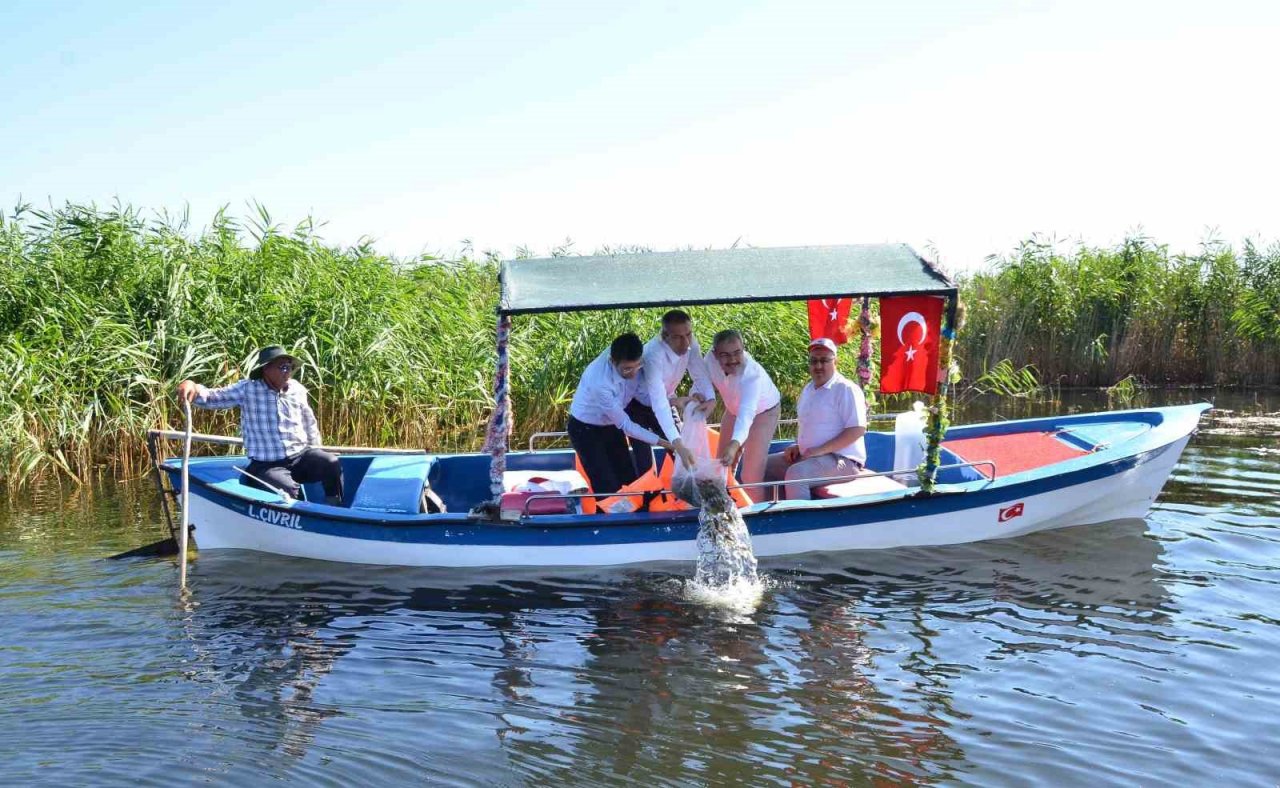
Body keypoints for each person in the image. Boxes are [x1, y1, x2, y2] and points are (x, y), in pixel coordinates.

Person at [176, 346, 345, 505]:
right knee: (288, 489)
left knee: (330, 463)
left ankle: (334, 509)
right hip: (267, 464)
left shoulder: (297, 389)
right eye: (283, 368)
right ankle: (301, 522)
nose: (288, 373)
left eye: (290, 368)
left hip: (300, 456)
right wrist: (192, 385)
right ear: (266, 369)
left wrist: (316, 448)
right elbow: (211, 397)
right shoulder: (248, 389)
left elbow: (309, 422)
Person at [567, 333, 680, 495]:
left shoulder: (638, 363)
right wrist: (664, 443)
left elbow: (646, 396)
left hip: (611, 425)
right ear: (613, 361)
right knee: (607, 487)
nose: (633, 373)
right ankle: (608, 518)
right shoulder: (599, 382)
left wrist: (676, 401)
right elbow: (626, 426)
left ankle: (636, 517)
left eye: (637, 367)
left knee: (629, 481)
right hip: (585, 429)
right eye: (627, 369)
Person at [765, 337, 868, 501]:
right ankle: (770, 518)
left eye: (824, 360)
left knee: (797, 474)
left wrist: (820, 450)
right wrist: (798, 446)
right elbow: (813, 427)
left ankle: (800, 523)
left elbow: (857, 429)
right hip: (810, 456)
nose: (818, 366)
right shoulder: (808, 389)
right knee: (761, 466)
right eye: (813, 361)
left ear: (836, 361)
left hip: (843, 460)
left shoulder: (846, 389)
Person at [627, 309, 712, 475]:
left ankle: (693, 493)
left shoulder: (691, 343)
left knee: (684, 450)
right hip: (637, 405)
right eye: (678, 337)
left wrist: (710, 398)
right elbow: (658, 403)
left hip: (668, 399)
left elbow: (700, 373)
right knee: (645, 460)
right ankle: (648, 496)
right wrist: (677, 444)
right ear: (664, 336)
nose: (686, 342)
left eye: (688, 334)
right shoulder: (653, 354)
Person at [704, 329, 782, 502]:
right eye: (725, 355)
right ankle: (723, 510)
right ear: (715, 354)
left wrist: (734, 444)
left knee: (750, 476)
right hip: (733, 410)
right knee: (720, 467)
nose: (732, 360)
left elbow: (746, 416)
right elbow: (701, 383)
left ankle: (758, 519)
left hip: (764, 412)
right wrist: (696, 397)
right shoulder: (708, 360)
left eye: (737, 353)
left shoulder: (751, 375)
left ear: (743, 349)